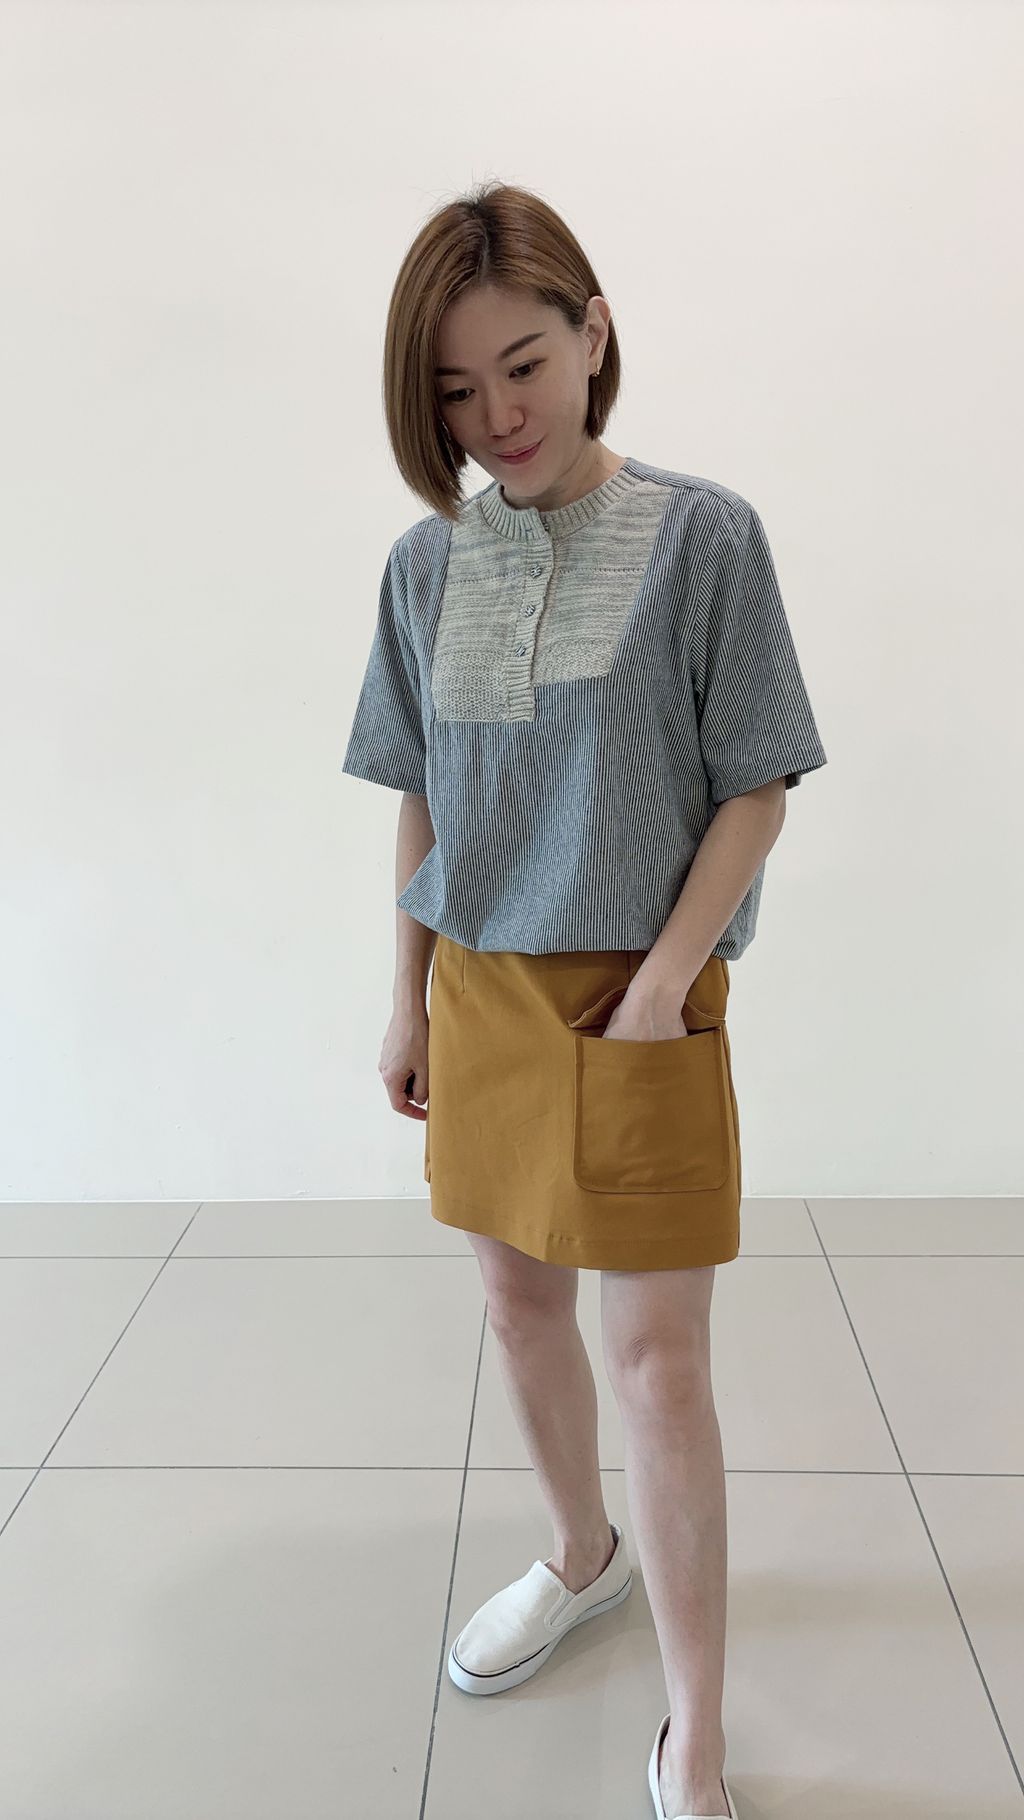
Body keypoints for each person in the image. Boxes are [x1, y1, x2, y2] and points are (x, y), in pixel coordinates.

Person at [342, 180, 828, 1820]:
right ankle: (579, 1554)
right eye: (457, 391)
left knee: (663, 1368)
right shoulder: (427, 566)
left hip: (638, 994)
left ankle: (696, 1729)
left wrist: (666, 987)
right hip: (478, 991)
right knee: (516, 1307)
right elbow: (420, 789)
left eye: (525, 366)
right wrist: (407, 995)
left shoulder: (705, 537)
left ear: (594, 332)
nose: (499, 417)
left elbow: (757, 780)